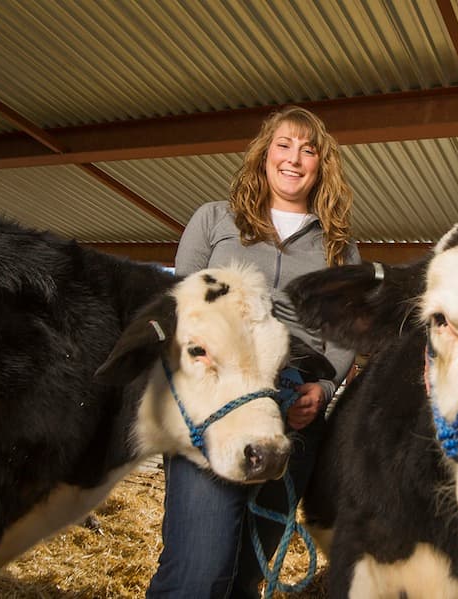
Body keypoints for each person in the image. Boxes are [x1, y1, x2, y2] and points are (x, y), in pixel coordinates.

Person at [147, 106, 359, 598]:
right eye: (284, 145)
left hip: (294, 410)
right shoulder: (214, 219)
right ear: (264, 154)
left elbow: (345, 334)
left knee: (248, 573)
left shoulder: (339, 247)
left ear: (321, 165)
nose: (294, 158)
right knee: (200, 570)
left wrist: (323, 388)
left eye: (308, 150)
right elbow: (180, 305)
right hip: (217, 403)